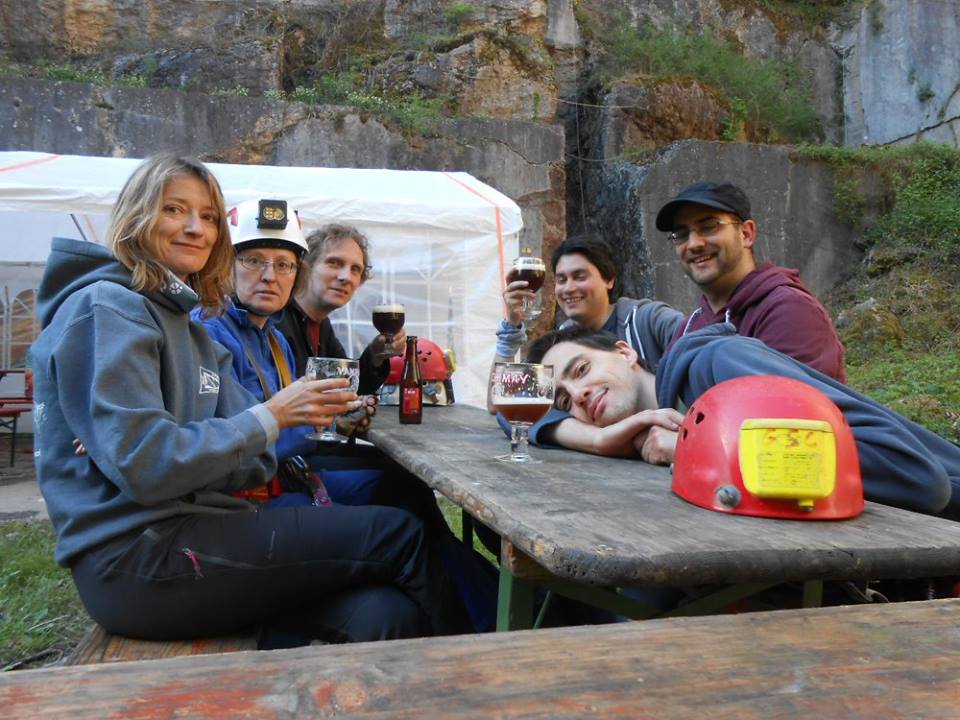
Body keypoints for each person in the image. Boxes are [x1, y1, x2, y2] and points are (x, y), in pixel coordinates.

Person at [29, 153, 451, 646]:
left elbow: (246, 455)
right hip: (136, 557)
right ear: (135, 216)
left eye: (208, 216)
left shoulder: (187, 327)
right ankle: (485, 664)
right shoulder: (107, 307)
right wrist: (268, 418)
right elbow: (149, 464)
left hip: (204, 528)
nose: (195, 228)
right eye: (173, 209)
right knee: (398, 532)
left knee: (384, 613)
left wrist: (222, 437)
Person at [197, 198, 497, 631]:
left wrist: (337, 410)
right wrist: (325, 419)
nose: (269, 275)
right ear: (225, 263)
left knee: (406, 491)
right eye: (253, 260)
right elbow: (243, 440)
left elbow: (325, 401)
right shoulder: (210, 332)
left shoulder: (271, 337)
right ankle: (482, 629)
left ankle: (488, 608)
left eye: (283, 264)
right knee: (403, 529)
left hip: (290, 476)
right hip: (252, 503)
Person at [525, 324, 960, 518]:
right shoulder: (651, 428)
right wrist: (597, 440)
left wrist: (694, 451)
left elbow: (918, 480)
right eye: (565, 399)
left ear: (625, 352)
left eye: (581, 370)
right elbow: (512, 413)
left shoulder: (718, 364)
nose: (578, 395)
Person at [494, 236, 684, 457]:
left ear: (609, 279)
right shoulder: (562, 343)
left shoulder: (648, 320)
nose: (569, 288)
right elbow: (508, 404)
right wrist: (512, 324)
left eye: (579, 277)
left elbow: (699, 354)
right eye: (561, 280)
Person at [656, 181, 847, 382]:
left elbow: (795, 399)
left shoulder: (789, 311)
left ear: (746, 234)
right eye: (682, 234)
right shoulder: (688, 328)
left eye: (709, 227)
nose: (694, 244)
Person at [278, 223, 399, 390]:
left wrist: (375, 355)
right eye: (334, 263)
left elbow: (347, 383)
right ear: (306, 266)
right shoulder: (275, 320)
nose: (346, 277)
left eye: (355, 269)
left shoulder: (322, 325)